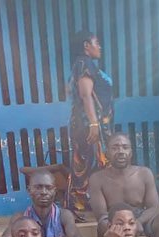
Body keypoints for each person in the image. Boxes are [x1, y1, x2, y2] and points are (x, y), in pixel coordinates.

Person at [88, 133, 159, 237]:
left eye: (125, 147)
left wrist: (138, 222)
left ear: (131, 152)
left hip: (141, 219)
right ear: (107, 153)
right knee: (104, 225)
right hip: (114, 221)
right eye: (115, 148)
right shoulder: (97, 178)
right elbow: (101, 215)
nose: (120, 151)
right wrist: (125, 225)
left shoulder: (144, 173)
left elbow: (154, 207)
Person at [67, 30, 113, 213]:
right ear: (86, 45)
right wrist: (94, 123)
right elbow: (85, 95)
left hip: (90, 123)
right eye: (96, 43)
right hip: (89, 125)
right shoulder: (84, 64)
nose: (99, 47)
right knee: (91, 162)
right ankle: (80, 203)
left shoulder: (83, 64)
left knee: (89, 162)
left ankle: (86, 202)